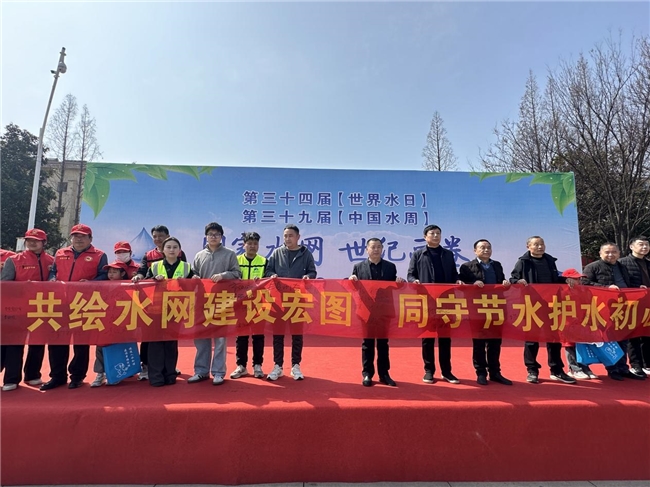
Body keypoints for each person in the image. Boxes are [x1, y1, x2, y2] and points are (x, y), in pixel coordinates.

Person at [41, 224, 108, 390]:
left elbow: (104, 276)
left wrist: (91, 283)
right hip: (60, 303)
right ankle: (57, 376)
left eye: (83, 236)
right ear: (71, 238)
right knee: (56, 340)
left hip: (83, 304)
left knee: (81, 342)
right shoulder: (60, 253)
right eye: (75, 236)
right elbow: (53, 271)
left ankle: (77, 376)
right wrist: (52, 279)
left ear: (90, 239)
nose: (79, 239)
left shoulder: (99, 255)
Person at [510, 236, 577, 384]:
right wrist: (518, 281)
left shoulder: (550, 260)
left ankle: (556, 370)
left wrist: (566, 280)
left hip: (552, 305)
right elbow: (513, 279)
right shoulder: (523, 262)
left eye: (542, 244)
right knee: (532, 340)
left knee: (554, 339)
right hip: (532, 305)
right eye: (536, 244)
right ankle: (532, 370)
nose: (540, 247)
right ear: (528, 246)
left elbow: (554, 280)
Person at [407, 224, 463, 384]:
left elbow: (454, 274)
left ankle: (447, 371)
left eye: (438, 233)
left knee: (445, 337)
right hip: (427, 301)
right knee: (427, 337)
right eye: (432, 233)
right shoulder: (418, 254)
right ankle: (429, 370)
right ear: (425, 237)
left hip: (446, 301)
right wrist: (414, 281)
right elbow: (410, 274)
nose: (436, 236)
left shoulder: (448, 254)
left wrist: (457, 280)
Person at [582, 242, 645, 381]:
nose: (611, 255)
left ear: (618, 253)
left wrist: (637, 288)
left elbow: (627, 284)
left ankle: (623, 368)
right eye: (607, 252)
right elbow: (584, 284)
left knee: (623, 338)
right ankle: (612, 368)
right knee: (610, 340)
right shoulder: (592, 267)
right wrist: (606, 288)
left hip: (622, 307)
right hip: (603, 309)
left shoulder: (622, 266)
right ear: (600, 253)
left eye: (614, 252)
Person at [0, 229, 54, 391]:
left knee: (37, 343)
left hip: (42, 308)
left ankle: (32, 375)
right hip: (17, 309)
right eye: (29, 240)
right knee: (14, 344)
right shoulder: (14, 260)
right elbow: (4, 284)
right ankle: (11, 379)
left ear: (44, 242)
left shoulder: (52, 261)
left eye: (36, 240)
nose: (32, 243)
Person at [189, 222, 241, 385]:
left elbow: (237, 273)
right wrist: (194, 277)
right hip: (202, 302)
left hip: (221, 301)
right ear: (206, 236)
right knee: (201, 338)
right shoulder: (199, 255)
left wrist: (224, 275)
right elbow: (193, 273)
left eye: (217, 234)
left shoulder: (229, 254)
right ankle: (201, 371)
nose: (213, 237)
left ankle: (218, 372)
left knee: (220, 340)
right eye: (211, 234)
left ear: (221, 237)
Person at [132, 225, 187, 381]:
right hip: (154, 304)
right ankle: (147, 366)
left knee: (171, 338)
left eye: (161, 236)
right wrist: (139, 277)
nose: (157, 239)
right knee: (151, 337)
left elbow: (186, 275)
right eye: (155, 236)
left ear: (168, 236)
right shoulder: (149, 255)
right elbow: (143, 272)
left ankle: (169, 368)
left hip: (174, 303)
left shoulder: (180, 255)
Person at [264, 224, 317, 381]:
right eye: (285, 236)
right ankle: (278, 366)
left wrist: (308, 277)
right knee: (278, 335)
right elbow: (268, 270)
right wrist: (272, 275)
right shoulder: (277, 252)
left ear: (298, 237)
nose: (287, 239)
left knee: (297, 334)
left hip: (297, 300)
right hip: (279, 300)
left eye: (291, 236)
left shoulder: (306, 254)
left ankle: (296, 366)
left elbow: (312, 271)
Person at [349, 238, 404, 387]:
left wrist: (399, 282)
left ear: (382, 249)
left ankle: (384, 374)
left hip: (384, 310)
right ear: (366, 249)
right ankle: (367, 373)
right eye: (373, 247)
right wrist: (352, 280)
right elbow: (354, 287)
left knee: (383, 343)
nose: (376, 250)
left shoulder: (390, 267)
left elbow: (395, 286)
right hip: (366, 311)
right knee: (367, 343)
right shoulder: (358, 267)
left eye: (379, 247)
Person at [459, 239, 513, 386]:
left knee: (495, 342)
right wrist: (472, 284)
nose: (486, 250)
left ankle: (495, 372)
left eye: (488, 247)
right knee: (479, 342)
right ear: (475, 250)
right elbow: (460, 285)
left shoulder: (497, 265)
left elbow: (501, 281)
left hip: (496, 307)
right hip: (477, 309)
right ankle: (481, 373)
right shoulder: (467, 267)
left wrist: (505, 283)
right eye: (482, 247)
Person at [145, 236, 194, 387]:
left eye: (175, 247)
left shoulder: (186, 267)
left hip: (176, 309)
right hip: (156, 309)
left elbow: (195, 284)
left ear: (179, 250)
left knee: (171, 343)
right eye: (168, 247)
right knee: (155, 343)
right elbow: (145, 285)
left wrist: (194, 279)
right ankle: (156, 377)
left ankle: (170, 375)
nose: (171, 250)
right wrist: (154, 279)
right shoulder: (154, 266)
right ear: (163, 250)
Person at [231, 232, 266, 379]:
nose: (252, 246)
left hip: (258, 304)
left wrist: (262, 280)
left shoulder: (264, 261)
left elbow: (269, 280)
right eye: (249, 243)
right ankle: (241, 366)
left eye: (255, 243)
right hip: (240, 304)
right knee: (241, 336)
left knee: (258, 335)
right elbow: (231, 278)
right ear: (244, 245)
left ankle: (257, 365)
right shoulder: (236, 260)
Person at [90, 261, 130, 388]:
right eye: (109, 272)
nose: (111, 274)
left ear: (122, 273)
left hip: (120, 322)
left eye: (115, 272)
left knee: (117, 347)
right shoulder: (102, 285)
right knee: (101, 347)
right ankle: (100, 373)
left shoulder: (128, 286)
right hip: (104, 322)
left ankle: (115, 373)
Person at [618, 236, 650, 377]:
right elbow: (622, 283)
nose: (644, 247)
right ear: (631, 246)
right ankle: (636, 365)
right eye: (641, 244)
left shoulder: (648, 263)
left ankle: (647, 364)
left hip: (647, 304)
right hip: (631, 304)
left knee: (647, 334)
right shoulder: (622, 263)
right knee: (633, 335)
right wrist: (636, 288)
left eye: (647, 245)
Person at [560, 269, 599, 380]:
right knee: (570, 346)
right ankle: (574, 369)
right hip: (567, 323)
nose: (579, 281)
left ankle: (585, 367)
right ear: (568, 280)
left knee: (582, 345)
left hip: (582, 322)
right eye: (576, 279)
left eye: (579, 278)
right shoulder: (562, 291)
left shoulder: (583, 291)